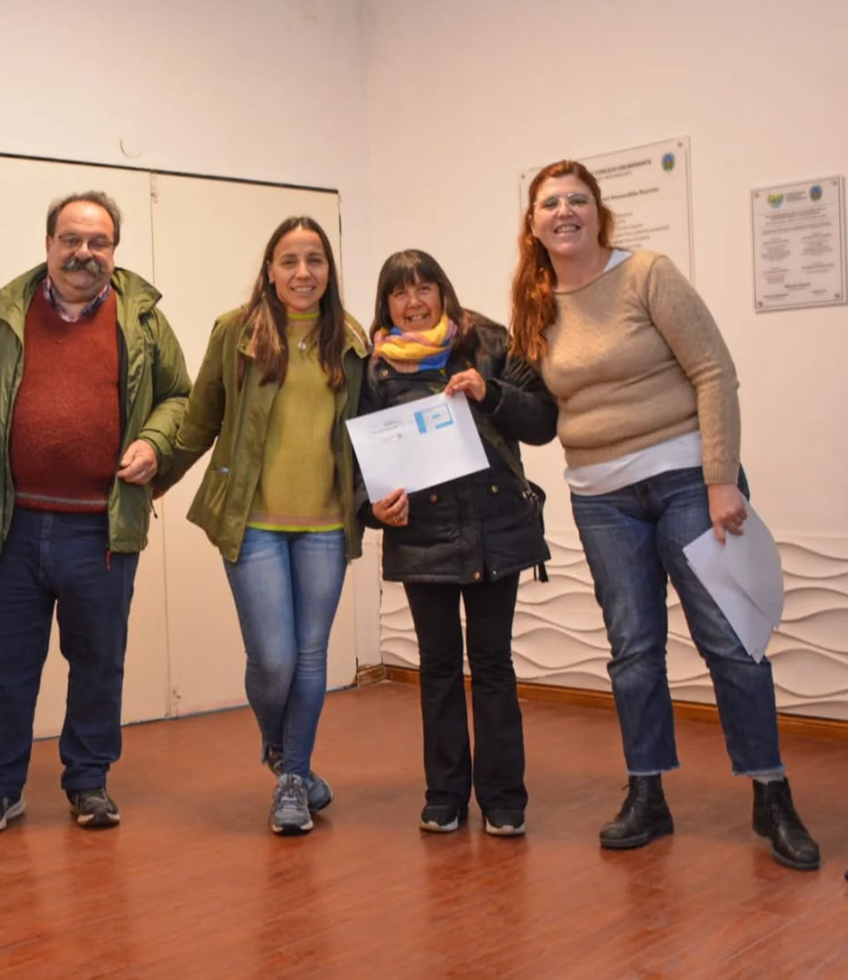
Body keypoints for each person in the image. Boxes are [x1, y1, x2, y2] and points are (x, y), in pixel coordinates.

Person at [510, 159, 820, 870]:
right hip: (600, 498)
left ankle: (771, 792)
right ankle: (647, 794)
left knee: (731, 641)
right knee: (633, 652)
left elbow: (714, 371)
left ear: (598, 212)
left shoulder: (647, 273)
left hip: (687, 482)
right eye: (549, 202)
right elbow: (534, 405)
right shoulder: (535, 304)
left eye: (577, 200)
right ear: (532, 224)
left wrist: (720, 479)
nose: (564, 211)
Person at [0, 191, 190, 834]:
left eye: (98, 242)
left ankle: (88, 783)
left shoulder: (142, 319)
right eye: (71, 240)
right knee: (3, 667)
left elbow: (179, 399)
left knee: (98, 663)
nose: (84, 253)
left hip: (101, 528)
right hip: (11, 525)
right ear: (48, 243)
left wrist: (155, 442)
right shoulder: (1, 314)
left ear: (114, 249)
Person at [154, 217, 367, 836]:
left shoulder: (351, 341)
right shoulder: (235, 333)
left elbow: (370, 430)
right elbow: (200, 418)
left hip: (327, 524)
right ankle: (281, 754)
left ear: (329, 270)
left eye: (315, 261)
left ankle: (293, 780)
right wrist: (160, 472)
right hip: (253, 522)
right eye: (289, 261)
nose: (303, 273)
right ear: (270, 271)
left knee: (309, 655)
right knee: (273, 659)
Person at [356, 250, 555, 837]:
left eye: (424, 288)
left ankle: (503, 798)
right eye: (399, 293)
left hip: (498, 529)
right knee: (438, 668)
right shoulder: (375, 369)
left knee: (493, 664)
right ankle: (443, 796)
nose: (413, 302)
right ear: (385, 305)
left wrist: (489, 392)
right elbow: (359, 457)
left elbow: (542, 422)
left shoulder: (490, 342)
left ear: (444, 292)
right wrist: (373, 509)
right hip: (422, 538)